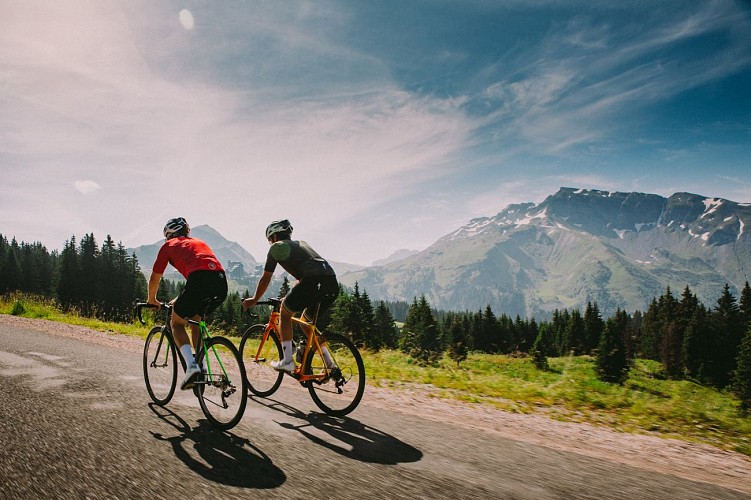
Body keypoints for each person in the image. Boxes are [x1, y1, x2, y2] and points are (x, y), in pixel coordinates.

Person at [242, 219, 338, 372]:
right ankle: (330, 365)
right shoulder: (302, 244)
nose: (270, 243)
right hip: (331, 282)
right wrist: (289, 297)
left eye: (269, 240)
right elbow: (308, 274)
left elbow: (266, 278)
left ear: (274, 237)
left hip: (312, 281)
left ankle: (287, 360)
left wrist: (254, 300)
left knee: (285, 314)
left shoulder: (276, 248)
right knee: (306, 323)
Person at [147, 217, 228, 390]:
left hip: (199, 281)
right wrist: (180, 298)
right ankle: (201, 367)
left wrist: (151, 299)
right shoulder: (199, 242)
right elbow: (200, 275)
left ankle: (192, 368)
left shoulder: (169, 246)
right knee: (195, 321)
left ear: (169, 234)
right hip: (221, 281)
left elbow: (155, 277)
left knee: (176, 324)